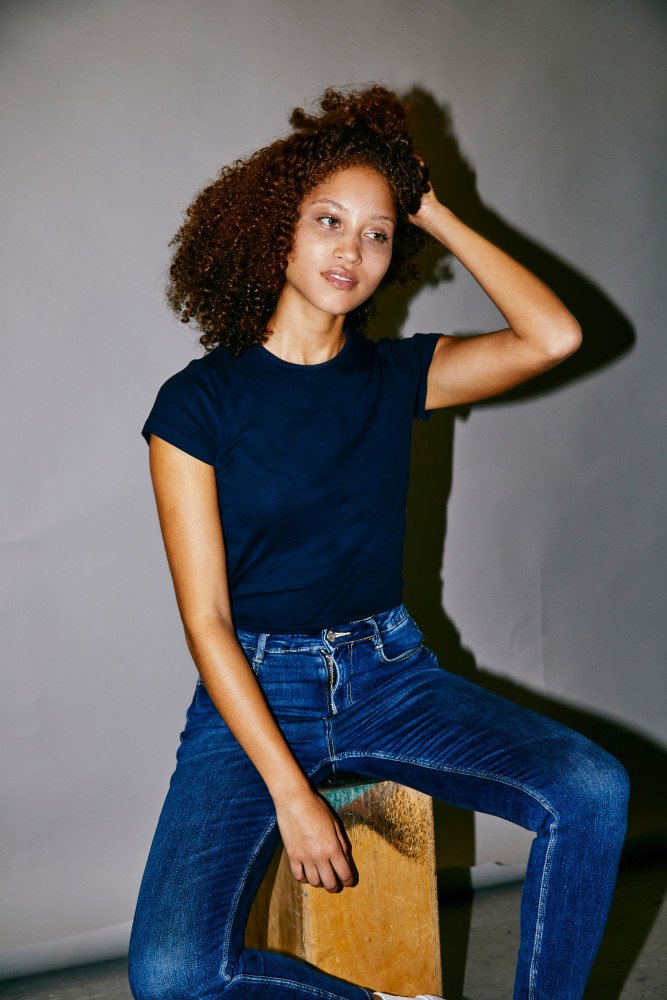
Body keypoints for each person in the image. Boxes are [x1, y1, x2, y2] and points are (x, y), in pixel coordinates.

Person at [127, 85, 629, 1000]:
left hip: (387, 676)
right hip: (256, 686)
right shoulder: (197, 404)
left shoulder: (400, 374)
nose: (350, 250)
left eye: (377, 233)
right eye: (327, 221)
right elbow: (206, 622)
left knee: (591, 788)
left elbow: (553, 335)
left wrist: (430, 207)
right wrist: (291, 795)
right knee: (172, 977)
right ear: (277, 231)